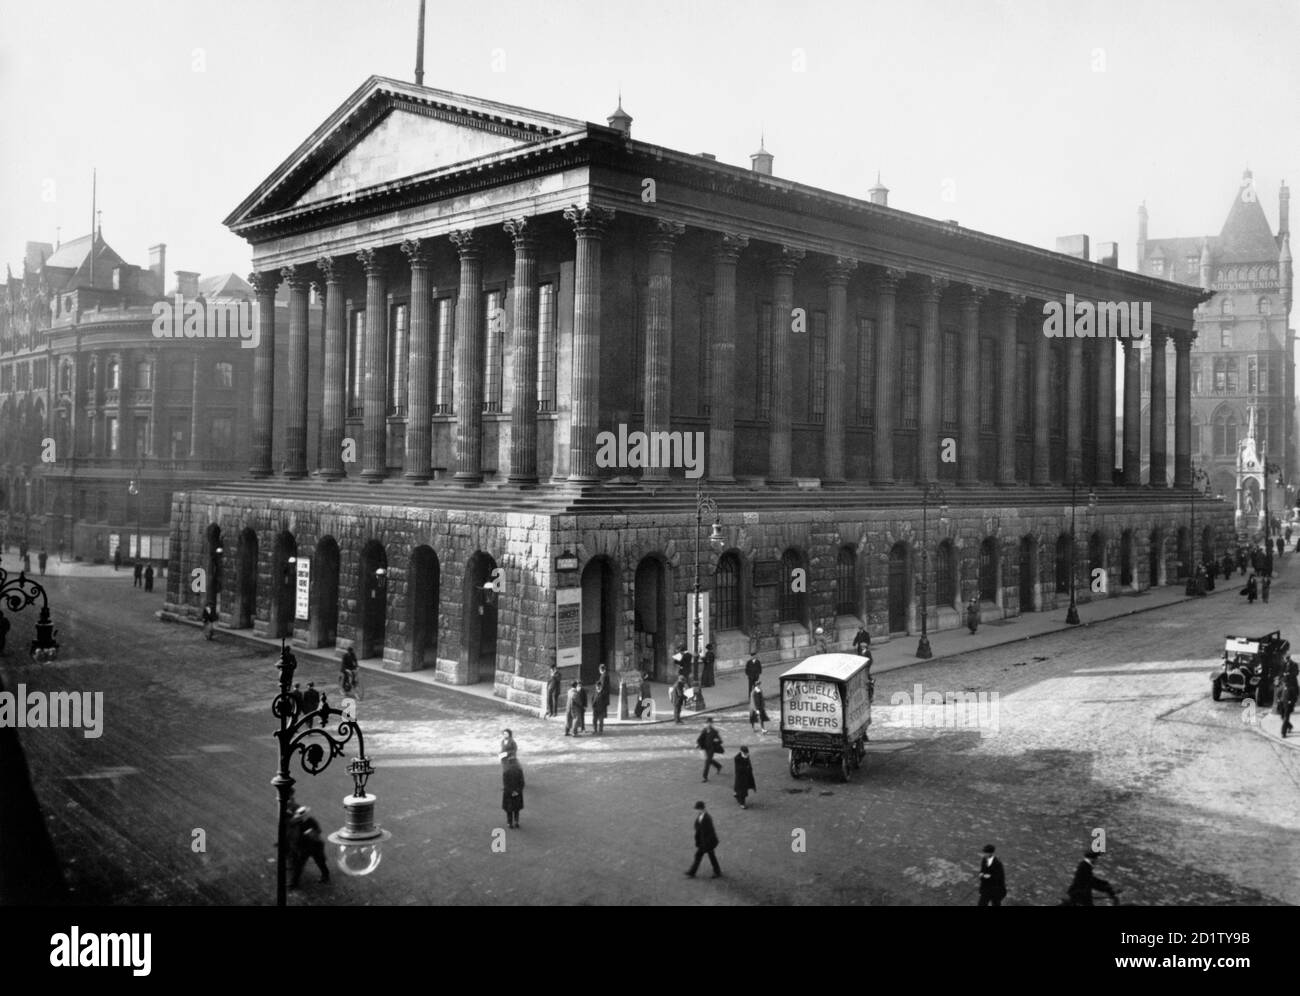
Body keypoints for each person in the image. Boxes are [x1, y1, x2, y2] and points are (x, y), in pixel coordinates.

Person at [287, 805, 330, 887]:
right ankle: (294, 882)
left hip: (315, 846)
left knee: (320, 862)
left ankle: (325, 876)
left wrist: (312, 833)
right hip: (304, 848)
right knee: (299, 865)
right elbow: (292, 830)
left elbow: (318, 831)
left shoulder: (311, 821)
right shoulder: (296, 822)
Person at [685, 800, 721, 878]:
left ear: (701, 808)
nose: (696, 811)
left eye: (697, 809)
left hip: (707, 843)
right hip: (704, 842)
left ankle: (692, 872)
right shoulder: (701, 816)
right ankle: (717, 871)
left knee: (706, 856)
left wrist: (705, 844)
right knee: (710, 857)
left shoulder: (707, 818)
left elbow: (709, 832)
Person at [697, 716, 724, 782]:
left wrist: (716, 741)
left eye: (710, 723)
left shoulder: (714, 731)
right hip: (706, 748)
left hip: (711, 749)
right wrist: (699, 744)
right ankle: (718, 766)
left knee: (707, 762)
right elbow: (701, 738)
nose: (709, 724)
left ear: (712, 724)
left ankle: (705, 777)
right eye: (708, 723)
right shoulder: (704, 730)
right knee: (709, 760)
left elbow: (720, 741)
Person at [1278, 656, 1299, 738]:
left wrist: (1292, 701)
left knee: (1286, 716)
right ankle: (1289, 726)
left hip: (1289, 700)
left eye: (1287, 659)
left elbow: (1296, 673)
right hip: (1283, 700)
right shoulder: (1283, 685)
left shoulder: (1294, 665)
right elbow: (1279, 693)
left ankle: (1283, 732)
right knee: (1282, 716)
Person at [502, 756, 525, 828]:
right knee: (516, 808)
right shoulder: (519, 771)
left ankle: (509, 822)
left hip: (508, 793)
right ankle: (516, 821)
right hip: (518, 792)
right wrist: (517, 791)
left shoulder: (506, 772)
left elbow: (506, 784)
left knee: (509, 809)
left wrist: (511, 791)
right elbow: (522, 783)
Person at [592, 666, 609, 734]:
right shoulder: (594, 693)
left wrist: (604, 707)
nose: (598, 688)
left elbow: (605, 701)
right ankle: (595, 730)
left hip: (601, 708)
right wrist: (593, 707)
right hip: (596, 709)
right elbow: (592, 700)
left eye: (599, 687)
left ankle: (600, 730)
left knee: (601, 720)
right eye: (597, 687)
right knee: (594, 720)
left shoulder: (603, 693)